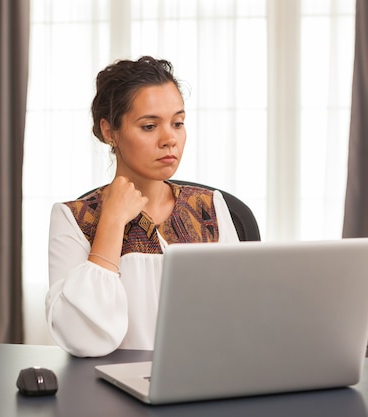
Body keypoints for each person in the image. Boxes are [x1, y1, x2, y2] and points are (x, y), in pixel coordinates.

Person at [45, 56, 239, 357]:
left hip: (206, 386)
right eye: (149, 126)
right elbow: (82, 338)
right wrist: (111, 220)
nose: (169, 139)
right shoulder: (73, 218)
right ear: (110, 132)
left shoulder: (210, 207)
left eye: (178, 123)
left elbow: (240, 318)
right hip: (109, 392)